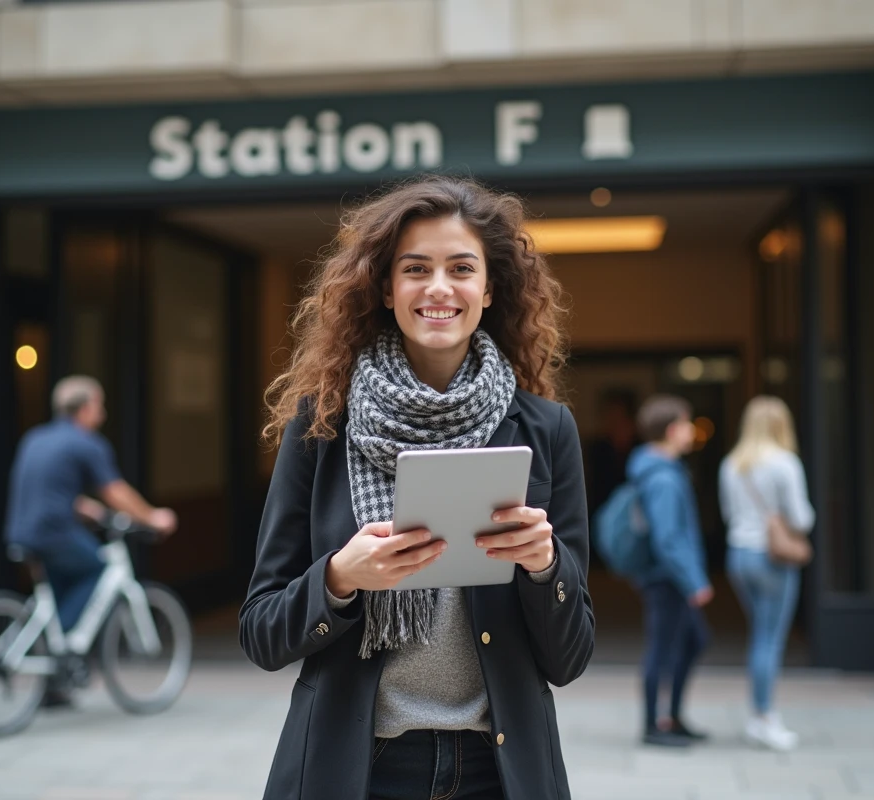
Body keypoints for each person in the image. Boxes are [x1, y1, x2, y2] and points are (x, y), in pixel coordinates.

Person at [239, 176, 595, 800]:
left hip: (501, 771)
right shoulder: (321, 422)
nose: (438, 287)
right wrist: (340, 579)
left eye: (461, 268)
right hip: (359, 770)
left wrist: (545, 566)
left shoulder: (546, 430)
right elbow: (262, 632)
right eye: (415, 268)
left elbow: (570, 659)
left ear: (488, 290)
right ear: (386, 287)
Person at [5, 376, 177, 636]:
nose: (103, 413)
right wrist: (152, 517)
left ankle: (55, 654)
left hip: (21, 530)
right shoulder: (87, 443)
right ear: (85, 408)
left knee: (65, 583)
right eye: (100, 405)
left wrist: (87, 509)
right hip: (54, 532)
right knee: (98, 569)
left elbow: (49, 488)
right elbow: (115, 492)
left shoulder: (35, 438)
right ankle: (59, 642)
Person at [719, 395, 814, 752]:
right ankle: (765, 718)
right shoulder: (785, 463)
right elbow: (802, 518)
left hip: (739, 556)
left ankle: (759, 715)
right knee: (769, 639)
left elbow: (728, 514)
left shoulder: (732, 464)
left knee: (761, 634)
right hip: (772, 557)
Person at [627, 394, 713, 748]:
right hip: (667, 579)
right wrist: (694, 581)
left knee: (693, 641)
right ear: (673, 429)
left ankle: (672, 716)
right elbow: (669, 539)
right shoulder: (663, 478)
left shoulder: (662, 469)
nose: (691, 431)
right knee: (662, 650)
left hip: (668, 577)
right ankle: (653, 725)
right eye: (687, 424)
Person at [585, 388, 640, 521]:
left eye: (616, 415)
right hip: (600, 518)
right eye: (607, 415)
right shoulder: (598, 449)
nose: (611, 421)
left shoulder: (641, 449)